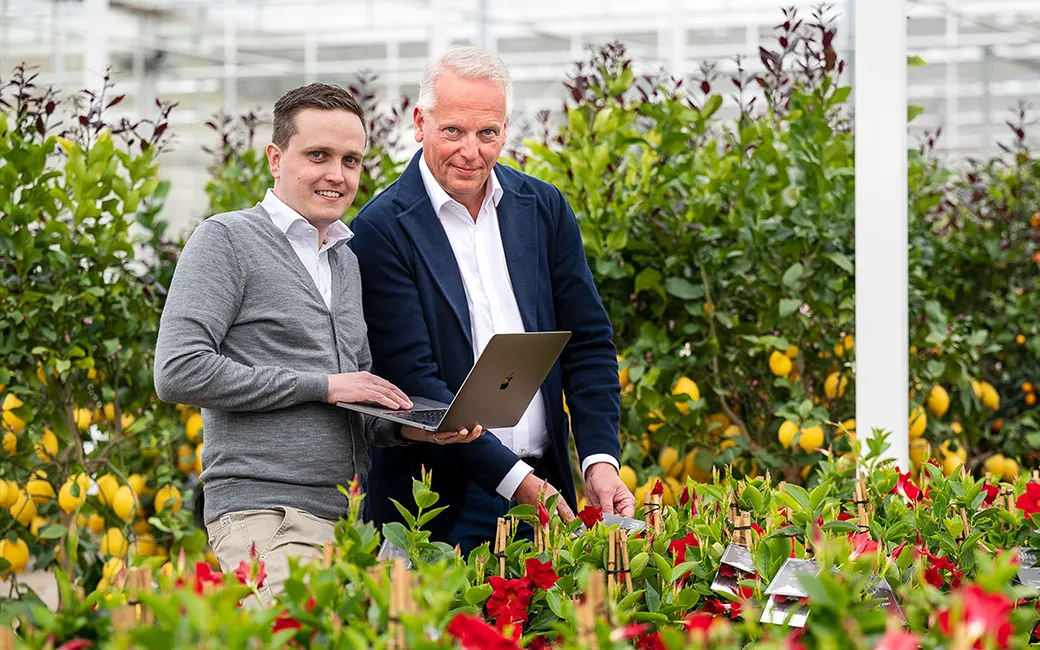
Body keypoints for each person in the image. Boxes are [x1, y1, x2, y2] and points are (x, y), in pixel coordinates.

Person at [153, 82, 482, 606]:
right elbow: (178, 370)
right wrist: (323, 385)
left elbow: (352, 401)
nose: (337, 174)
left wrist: (414, 427)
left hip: (345, 519)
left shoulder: (344, 260)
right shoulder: (227, 240)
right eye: (319, 155)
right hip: (266, 515)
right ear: (275, 158)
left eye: (351, 160)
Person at [350, 46, 635, 554]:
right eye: (453, 131)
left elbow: (588, 342)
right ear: (420, 123)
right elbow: (417, 387)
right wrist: (517, 482)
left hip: (546, 483)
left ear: (505, 129)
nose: (472, 151)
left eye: (488, 133)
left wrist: (599, 461)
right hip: (438, 503)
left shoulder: (541, 208)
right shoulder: (380, 230)